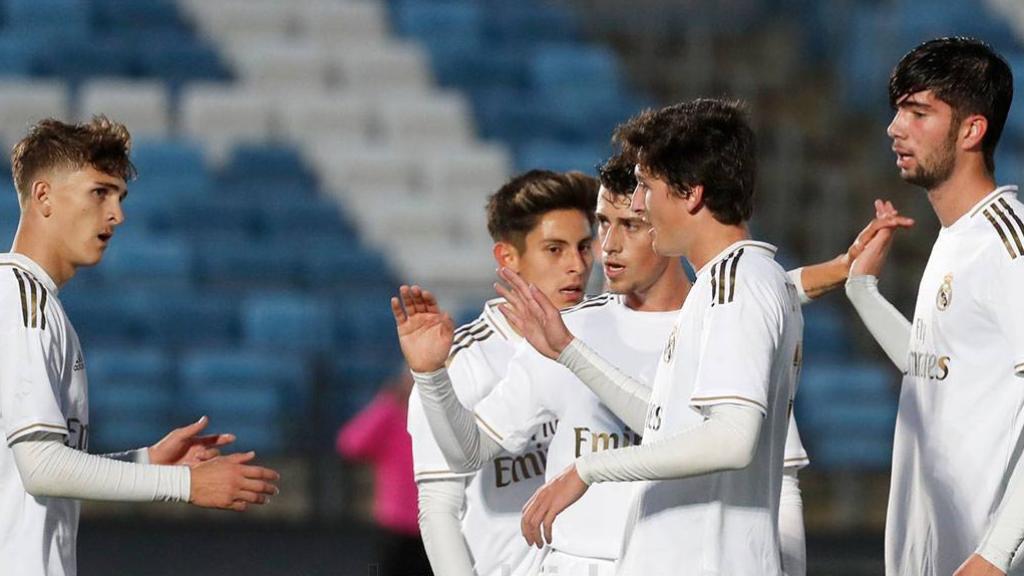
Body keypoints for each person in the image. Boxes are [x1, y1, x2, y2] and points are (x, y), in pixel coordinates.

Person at [397, 100, 913, 576]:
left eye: (638, 208)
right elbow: (660, 423)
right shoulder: (652, 311)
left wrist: (589, 468)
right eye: (603, 223)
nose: (607, 245)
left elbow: (743, 449)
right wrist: (440, 375)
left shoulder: (732, 291)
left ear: (689, 194)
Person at [0, 117, 280, 576]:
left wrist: (145, 460)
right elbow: (41, 467)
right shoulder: (19, 298)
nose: (117, 214)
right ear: (43, 196)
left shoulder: (36, 303)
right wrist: (184, 483)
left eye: (120, 197)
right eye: (99, 192)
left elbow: (30, 468)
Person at [842, 37, 1024, 576]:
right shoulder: (957, 235)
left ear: (972, 129)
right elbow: (938, 370)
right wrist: (863, 293)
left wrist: (995, 554)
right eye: (898, 110)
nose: (895, 128)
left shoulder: (1007, 245)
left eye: (919, 112)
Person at [407, 169, 598, 576]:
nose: (576, 266)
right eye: (554, 249)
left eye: (584, 247)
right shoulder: (461, 363)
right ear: (508, 258)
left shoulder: (603, 341)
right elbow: (438, 510)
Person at [337, 368, 432, 576]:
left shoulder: (442, 420)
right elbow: (350, 444)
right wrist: (386, 403)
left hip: (435, 524)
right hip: (397, 525)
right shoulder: (390, 417)